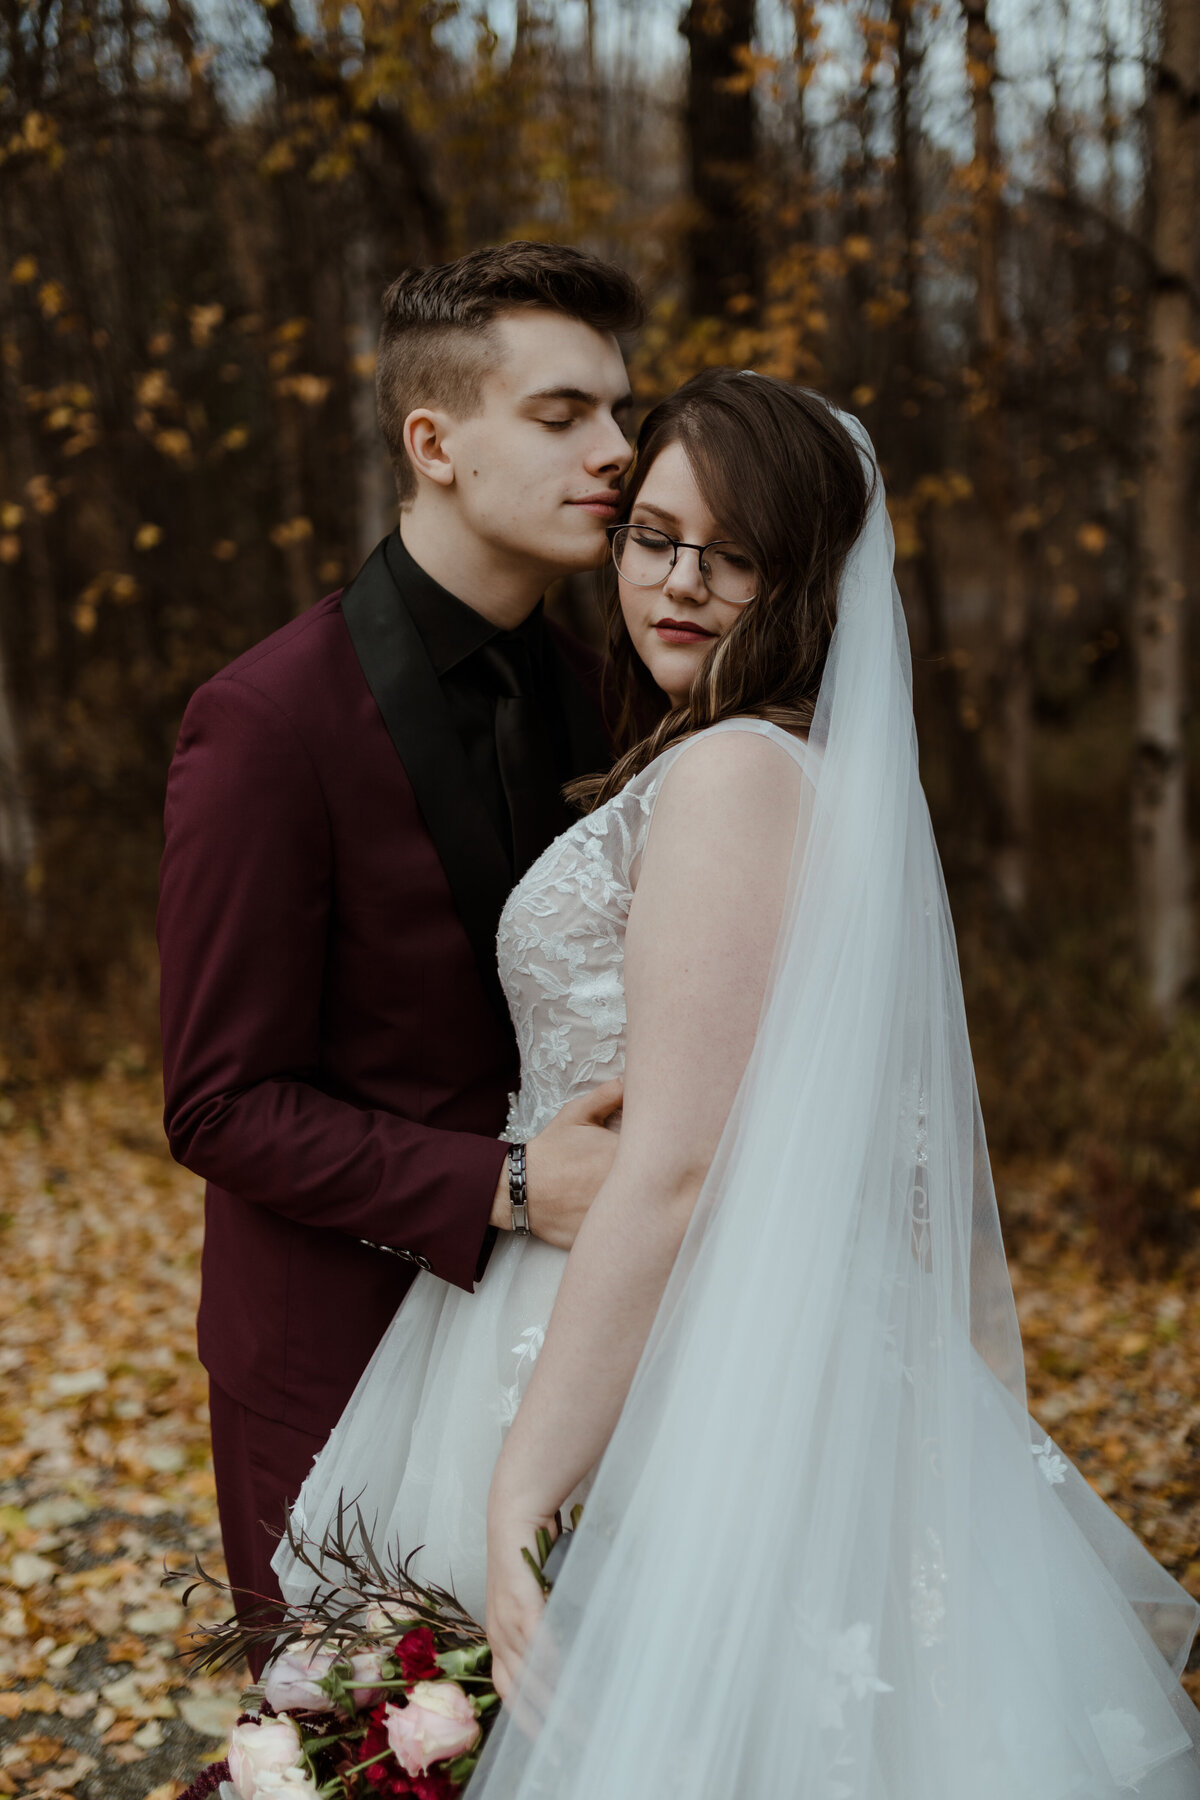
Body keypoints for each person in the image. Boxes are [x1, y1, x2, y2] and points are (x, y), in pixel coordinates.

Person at [277, 369, 1200, 1798]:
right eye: (654, 537)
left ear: (812, 581)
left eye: (738, 554)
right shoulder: (790, 771)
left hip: (654, 1352)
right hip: (677, 1326)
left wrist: (522, 1480)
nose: (682, 584)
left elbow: (688, 1160)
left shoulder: (733, 780)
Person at [156, 241, 642, 1668]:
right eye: (563, 417)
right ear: (433, 442)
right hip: (337, 1354)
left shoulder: (609, 696)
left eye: (619, 412)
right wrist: (499, 1186)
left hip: (569, 1355)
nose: (615, 451)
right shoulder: (264, 722)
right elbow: (218, 1102)